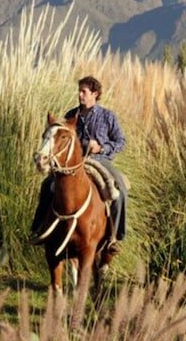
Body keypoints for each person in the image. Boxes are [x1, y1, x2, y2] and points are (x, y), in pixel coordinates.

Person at [31, 75, 128, 244]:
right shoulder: (71, 115)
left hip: (100, 160)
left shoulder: (108, 116)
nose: (80, 95)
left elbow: (121, 141)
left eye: (84, 92)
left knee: (118, 190)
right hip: (73, 163)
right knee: (47, 185)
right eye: (79, 91)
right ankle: (39, 229)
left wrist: (101, 147)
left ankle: (115, 237)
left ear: (95, 94)